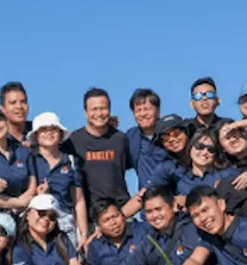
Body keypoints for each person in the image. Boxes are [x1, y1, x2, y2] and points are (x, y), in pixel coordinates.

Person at [64, 88, 139, 218]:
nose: (99, 113)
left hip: (120, 211)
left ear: (109, 110)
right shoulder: (73, 141)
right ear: (85, 113)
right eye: (94, 109)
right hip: (90, 215)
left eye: (103, 108)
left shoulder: (121, 139)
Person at [29, 112, 88, 246]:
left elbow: (78, 200)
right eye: (43, 129)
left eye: (53, 129)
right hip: (37, 221)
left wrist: (83, 234)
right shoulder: (29, 159)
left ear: (61, 133)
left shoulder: (71, 161)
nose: (49, 133)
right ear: (36, 135)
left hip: (65, 223)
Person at [127, 89, 178, 191]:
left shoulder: (169, 133)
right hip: (146, 200)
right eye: (138, 110)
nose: (143, 114)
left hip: (172, 197)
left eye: (147, 109)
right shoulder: (131, 136)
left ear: (158, 111)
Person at [175, 132, 231, 204]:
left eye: (211, 149)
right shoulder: (183, 184)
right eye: (200, 146)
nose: (205, 152)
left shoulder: (226, 174)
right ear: (190, 148)